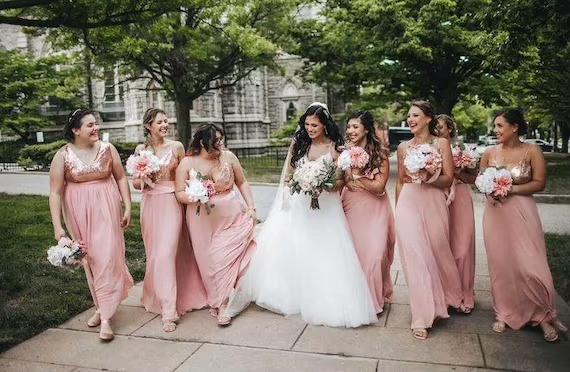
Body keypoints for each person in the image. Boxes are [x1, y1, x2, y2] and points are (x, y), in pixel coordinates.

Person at [223, 102, 377, 328]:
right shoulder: (299, 143)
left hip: (327, 206)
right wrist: (298, 186)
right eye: (306, 124)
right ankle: (293, 293)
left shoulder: (336, 147)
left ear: (324, 125)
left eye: (314, 125)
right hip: (300, 203)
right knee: (299, 245)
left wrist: (323, 185)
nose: (309, 129)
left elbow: (342, 180)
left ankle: (326, 298)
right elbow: (289, 174)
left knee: (326, 249)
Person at [481, 108, 567, 342]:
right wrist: (492, 191)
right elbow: (482, 182)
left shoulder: (532, 150)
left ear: (514, 127)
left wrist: (509, 188)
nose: (495, 130)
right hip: (496, 214)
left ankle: (543, 316)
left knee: (532, 265)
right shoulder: (489, 152)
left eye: (500, 126)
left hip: (522, 212)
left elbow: (539, 183)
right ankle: (504, 313)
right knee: (502, 265)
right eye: (495, 126)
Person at [49, 109, 133, 341]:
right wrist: (58, 228)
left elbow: (121, 177)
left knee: (107, 258)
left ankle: (106, 318)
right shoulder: (62, 155)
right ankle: (101, 306)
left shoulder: (108, 149)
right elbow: (55, 193)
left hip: (106, 208)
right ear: (76, 130)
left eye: (96, 124)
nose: (96, 128)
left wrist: (127, 206)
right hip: (78, 212)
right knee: (91, 260)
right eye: (90, 125)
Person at [395, 101, 465, 340]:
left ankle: (447, 296)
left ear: (428, 119)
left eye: (415, 115)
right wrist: (398, 209)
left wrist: (428, 176)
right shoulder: (403, 147)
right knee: (416, 257)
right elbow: (401, 180)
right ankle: (422, 315)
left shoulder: (441, 143)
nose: (410, 119)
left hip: (433, 201)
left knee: (437, 250)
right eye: (408, 116)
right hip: (408, 202)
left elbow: (447, 179)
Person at [133, 108, 207, 332]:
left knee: (167, 252)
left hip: (171, 203)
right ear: (148, 125)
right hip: (150, 205)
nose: (165, 125)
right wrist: (143, 175)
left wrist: (195, 188)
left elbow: (185, 175)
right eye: (160, 122)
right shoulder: (141, 150)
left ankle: (168, 311)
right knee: (155, 254)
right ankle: (160, 296)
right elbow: (136, 185)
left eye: (166, 121)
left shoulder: (176, 147)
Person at [175, 124, 256, 326]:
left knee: (224, 255)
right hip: (201, 218)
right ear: (203, 142)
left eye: (221, 140)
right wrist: (194, 195)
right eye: (216, 141)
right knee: (208, 260)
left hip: (231, 213)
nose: (220, 144)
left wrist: (251, 206)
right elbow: (179, 193)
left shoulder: (228, 157)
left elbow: (242, 182)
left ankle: (225, 302)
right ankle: (219, 301)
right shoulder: (187, 163)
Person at [341, 110, 395, 314]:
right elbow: (343, 180)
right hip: (351, 205)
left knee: (374, 256)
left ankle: (373, 300)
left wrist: (358, 176)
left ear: (366, 129)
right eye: (348, 127)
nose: (350, 131)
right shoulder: (345, 152)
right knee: (354, 255)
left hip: (375, 209)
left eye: (355, 127)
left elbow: (379, 186)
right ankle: (357, 299)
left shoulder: (380, 153)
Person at [435, 114, 477, 312]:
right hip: (438, 196)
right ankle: (445, 294)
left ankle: (464, 294)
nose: (437, 130)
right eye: (434, 127)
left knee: (462, 247)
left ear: (450, 129)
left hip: (459, 196)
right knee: (443, 246)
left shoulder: (462, 150)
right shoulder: (431, 149)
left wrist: (459, 172)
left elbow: (473, 178)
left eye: (441, 127)